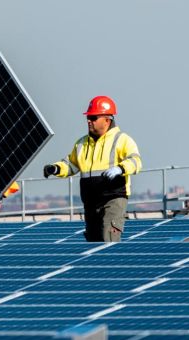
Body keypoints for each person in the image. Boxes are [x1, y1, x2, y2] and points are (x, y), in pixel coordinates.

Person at [42, 95, 142, 242]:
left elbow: (136, 161)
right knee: (93, 243)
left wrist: (120, 169)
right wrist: (56, 169)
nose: (89, 121)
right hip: (90, 201)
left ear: (107, 120)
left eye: (94, 117)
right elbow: (71, 165)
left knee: (108, 240)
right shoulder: (82, 143)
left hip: (112, 198)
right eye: (88, 117)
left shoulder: (122, 139)